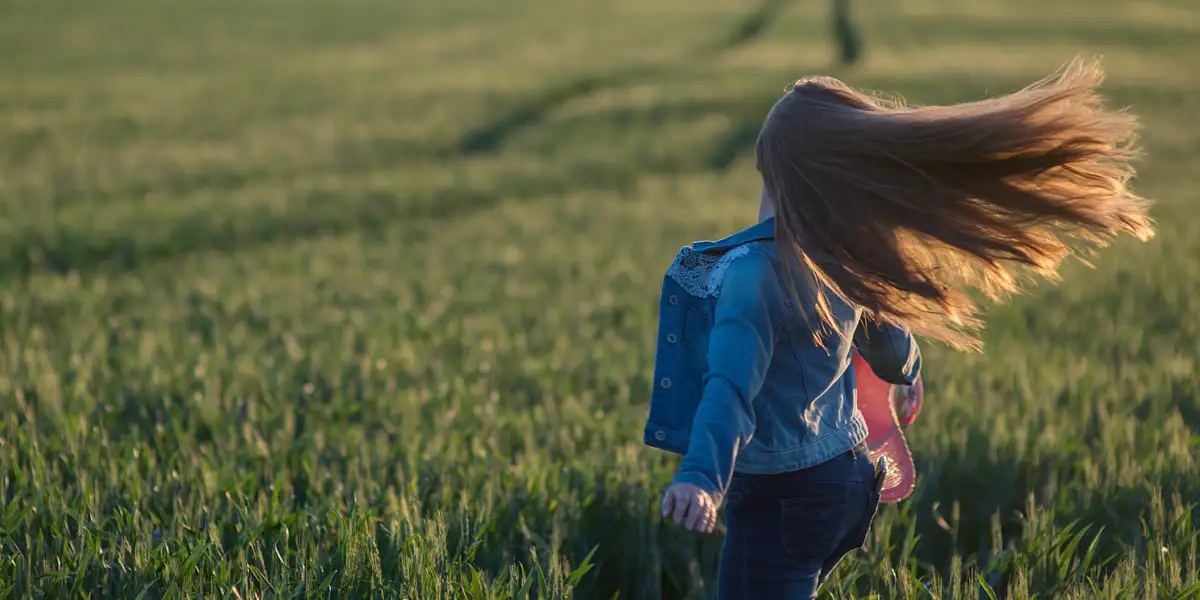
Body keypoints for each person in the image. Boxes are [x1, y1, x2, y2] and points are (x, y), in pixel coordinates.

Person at [642, 57, 1154, 599]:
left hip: (784, 497)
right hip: (844, 482)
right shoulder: (840, 256)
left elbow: (729, 386)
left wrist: (702, 476)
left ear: (769, 167)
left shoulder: (753, 271)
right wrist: (908, 373)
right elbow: (888, 347)